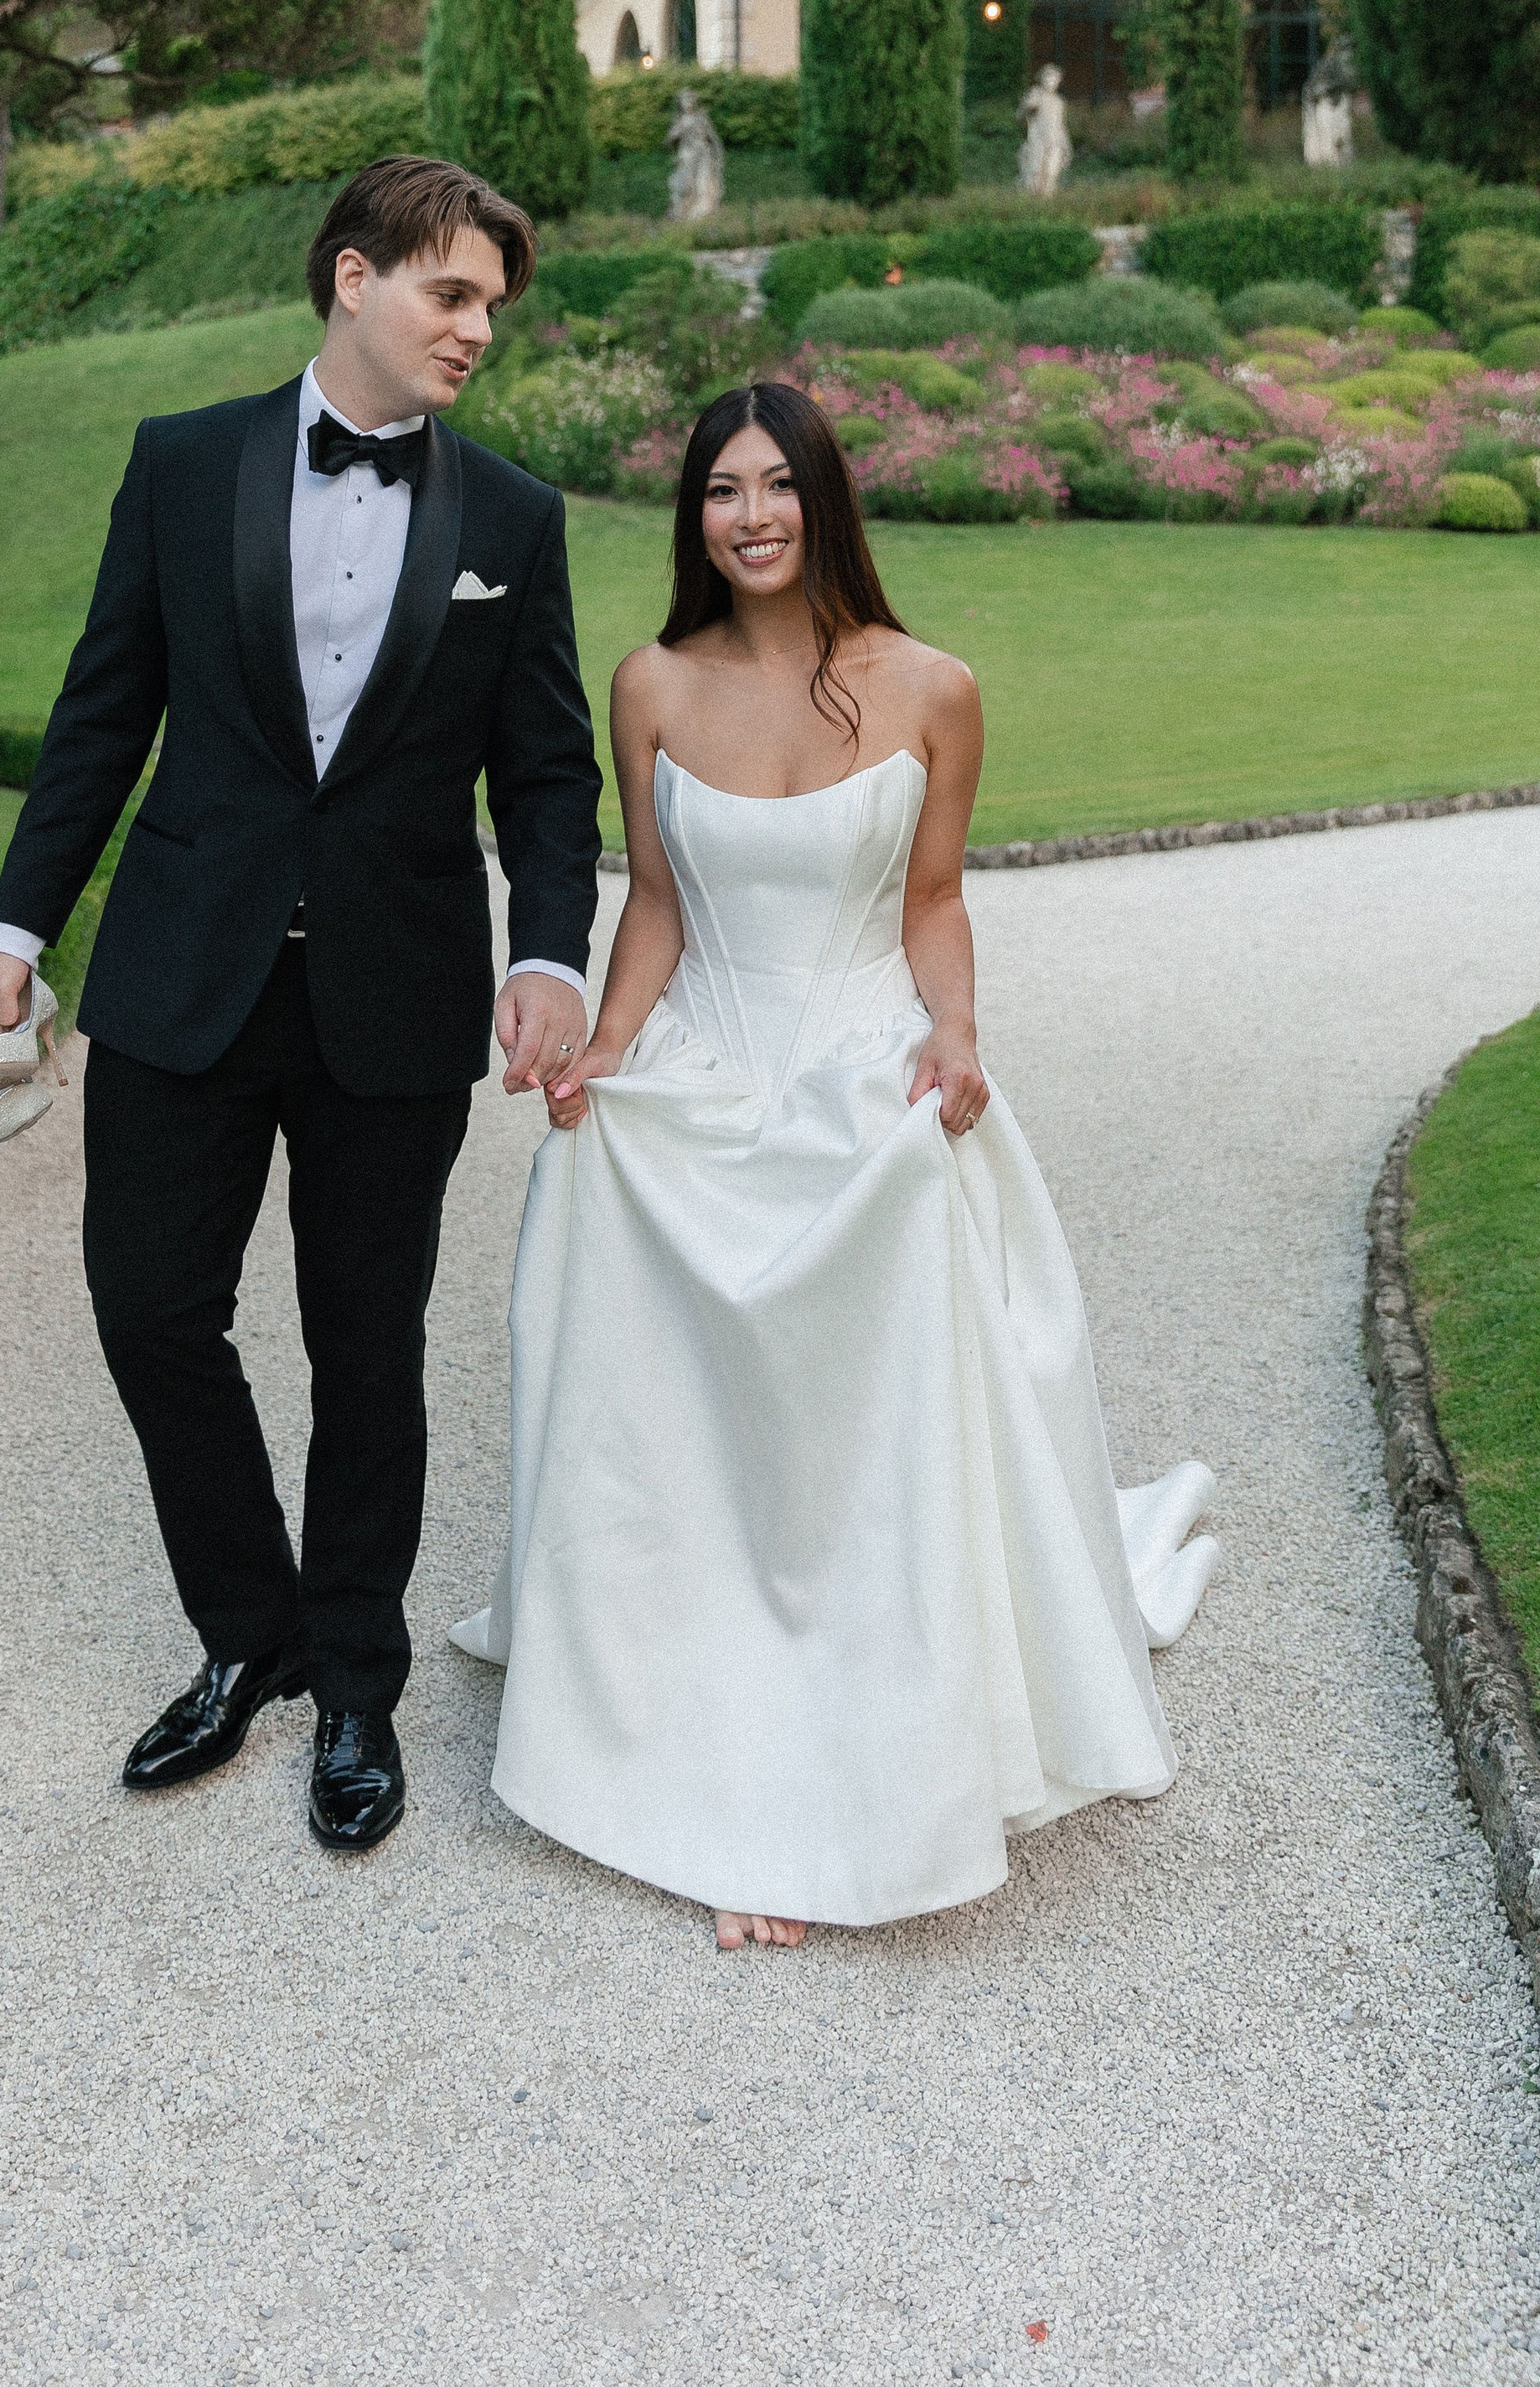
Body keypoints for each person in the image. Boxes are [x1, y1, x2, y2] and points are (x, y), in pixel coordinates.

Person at [453, 382, 1217, 1948]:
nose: (750, 516)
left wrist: (956, 1034)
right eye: (722, 491)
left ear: (824, 501)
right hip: (708, 1075)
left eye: (777, 486)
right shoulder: (651, 684)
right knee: (642, 1322)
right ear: (695, 515)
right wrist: (607, 1045)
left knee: (863, 1409)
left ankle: (859, 1756)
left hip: (870, 1077)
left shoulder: (933, 687)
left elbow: (932, 897)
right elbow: (656, 905)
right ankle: (686, 1710)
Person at [0, 158, 600, 1852]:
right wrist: (16, 929)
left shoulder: (511, 521)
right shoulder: (182, 466)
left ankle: (358, 1680)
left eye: (489, 311)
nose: (474, 332)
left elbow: (545, 775)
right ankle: (249, 1635)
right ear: (349, 279)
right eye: (449, 295)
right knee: (150, 1306)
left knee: (364, 1344)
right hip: (184, 973)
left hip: (395, 998)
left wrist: (546, 953)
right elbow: (102, 712)